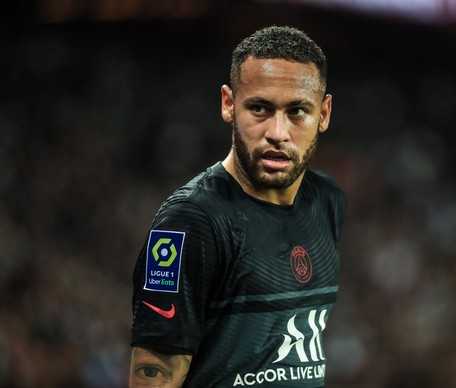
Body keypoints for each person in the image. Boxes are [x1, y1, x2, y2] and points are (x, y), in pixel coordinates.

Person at [129, 25, 347, 388]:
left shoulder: (327, 200)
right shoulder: (189, 221)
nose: (278, 132)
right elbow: (156, 371)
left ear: (323, 114)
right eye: (260, 108)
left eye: (297, 111)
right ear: (229, 104)